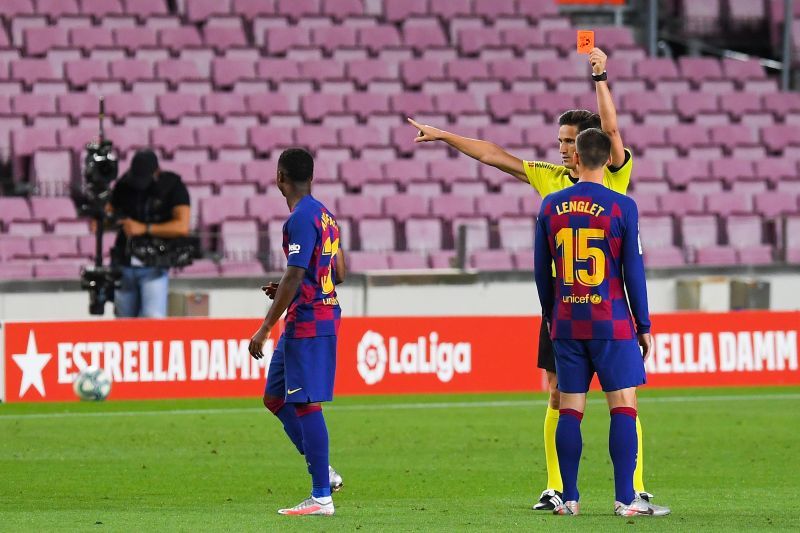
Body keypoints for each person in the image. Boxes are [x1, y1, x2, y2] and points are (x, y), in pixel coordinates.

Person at [409, 47, 653, 510]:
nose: (561, 147)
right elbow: (494, 155)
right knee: (563, 395)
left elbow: (614, 131)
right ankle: (559, 487)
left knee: (606, 398)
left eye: (568, 141)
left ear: (587, 145)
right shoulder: (550, 178)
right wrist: (444, 137)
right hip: (582, 310)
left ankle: (632, 484)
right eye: (559, 139)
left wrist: (600, 75)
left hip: (569, 308)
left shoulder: (614, 175)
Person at [533, 128, 669, 517]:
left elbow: (542, 272)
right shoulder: (623, 206)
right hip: (611, 322)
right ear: (609, 160)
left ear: (575, 158)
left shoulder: (550, 205)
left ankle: (569, 498)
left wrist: (550, 315)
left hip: (567, 322)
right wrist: (643, 324)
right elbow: (634, 272)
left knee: (570, 409)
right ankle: (626, 499)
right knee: (623, 405)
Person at [248, 148, 347, 516]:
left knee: (306, 402)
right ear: (312, 177)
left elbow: (295, 272)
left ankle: (322, 496)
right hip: (314, 311)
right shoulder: (326, 215)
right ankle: (326, 473)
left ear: (280, 177)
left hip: (309, 319)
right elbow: (338, 272)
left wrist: (264, 327)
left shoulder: (300, 218)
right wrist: (298, 283)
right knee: (275, 397)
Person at [109, 149, 190, 318]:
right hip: (124, 263)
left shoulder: (172, 185)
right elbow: (108, 215)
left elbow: (182, 226)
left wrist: (145, 228)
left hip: (154, 265)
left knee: (153, 319)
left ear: (156, 172)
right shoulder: (124, 184)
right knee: (123, 323)